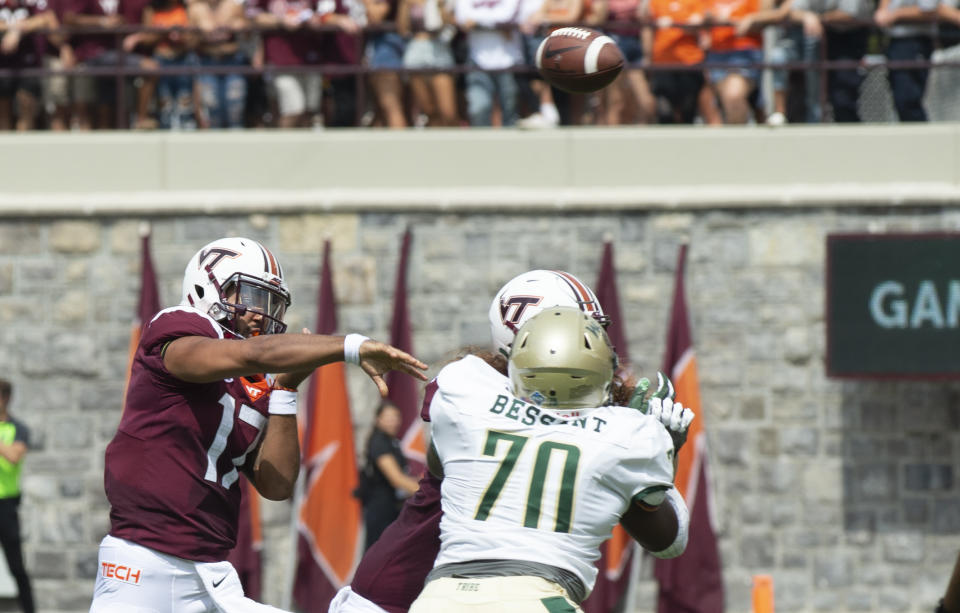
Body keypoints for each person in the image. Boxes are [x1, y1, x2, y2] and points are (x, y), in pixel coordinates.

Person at [90, 237, 427, 612]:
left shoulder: (253, 382)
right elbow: (254, 353)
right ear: (208, 285)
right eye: (250, 297)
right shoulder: (176, 332)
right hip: (142, 567)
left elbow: (277, 483)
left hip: (212, 573)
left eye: (269, 302)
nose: (259, 313)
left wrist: (285, 389)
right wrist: (350, 346)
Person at [329, 269, 688, 613]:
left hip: (433, 594)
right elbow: (669, 540)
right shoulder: (618, 431)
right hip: (397, 596)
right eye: (584, 331)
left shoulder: (465, 387)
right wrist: (656, 446)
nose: (601, 343)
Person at [409, 306, 691, 612]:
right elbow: (669, 539)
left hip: (439, 598)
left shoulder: (465, 385)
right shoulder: (627, 433)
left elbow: (438, 468)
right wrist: (665, 449)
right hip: (537, 598)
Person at [356, 402, 421, 551]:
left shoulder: (393, 442)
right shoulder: (379, 442)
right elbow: (396, 478)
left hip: (393, 509)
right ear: (378, 419)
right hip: (381, 510)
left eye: (396, 417)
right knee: (378, 556)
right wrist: (426, 492)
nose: (394, 421)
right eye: (389, 417)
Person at [454, 0, 523, 127]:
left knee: (510, 112)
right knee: (478, 109)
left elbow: (508, 16)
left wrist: (477, 21)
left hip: (507, 61)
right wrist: (494, 23)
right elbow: (462, 18)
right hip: (476, 60)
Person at [0, 379, 35, 613]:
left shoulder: (19, 429)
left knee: (16, 566)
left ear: (6, 399)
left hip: (6, 506)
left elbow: (13, 456)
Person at [875, 0, 940, 122]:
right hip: (896, 43)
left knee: (908, 99)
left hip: (914, 42)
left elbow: (929, 9)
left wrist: (895, 14)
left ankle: (920, 139)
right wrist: (883, 10)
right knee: (900, 100)